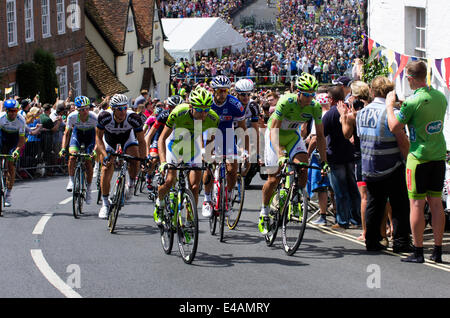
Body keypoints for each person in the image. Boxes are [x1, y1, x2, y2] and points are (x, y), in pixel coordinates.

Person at [386, 61, 448, 263]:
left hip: (418, 158)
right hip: (438, 156)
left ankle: (419, 251)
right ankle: (437, 251)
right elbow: (426, 109)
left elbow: (395, 126)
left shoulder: (412, 102)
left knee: (416, 205)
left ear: (411, 79)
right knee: (436, 204)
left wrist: (389, 107)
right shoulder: (440, 97)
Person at [259, 73, 328, 235]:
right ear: (299, 92)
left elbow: (320, 136)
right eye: (306, 94)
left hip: (292, 137)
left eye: (312, 94)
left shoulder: (315, 107)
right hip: (274, 135)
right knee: (273, 178)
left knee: (303, 167)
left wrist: (324, 161)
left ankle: (296, 197)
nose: (309, 98)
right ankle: (264, 211)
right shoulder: (286, 101)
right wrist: (280, 153)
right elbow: (274, 130)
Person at [355, 76, 412, 253]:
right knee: (399, 204)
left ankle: (371, 241)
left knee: (374, 203)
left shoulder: (362, 112)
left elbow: (359, 137)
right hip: (391, 163)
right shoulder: (390, 113)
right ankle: (401, 242)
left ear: (372, 91)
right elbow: (401, 140)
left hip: (369, 164)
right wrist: (407, 160)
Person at [153, 87, 220, 226]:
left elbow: (210, 141)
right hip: (174, 145)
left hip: (191, 147)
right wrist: (163, 162)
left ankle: (190, 221)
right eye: (200, 110)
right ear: (191, 106)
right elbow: (162, 138)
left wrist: (207, 157)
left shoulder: (213, 118)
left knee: (194, 187)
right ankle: (159, 204)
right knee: (170, 179)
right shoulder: (179, 112)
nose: (203, 114)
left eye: (206, 110)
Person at [201, 75, 246, 218]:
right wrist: (203, 149)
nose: (222, 94)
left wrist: (242, 149)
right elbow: (199, 127)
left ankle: (227, 195)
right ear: (213, 91)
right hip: (210, 134)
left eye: (225, 91)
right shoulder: (207, 103)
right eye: (219, 91)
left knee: (233, 168)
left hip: (227, 134)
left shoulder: (235, 104)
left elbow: (242, 129)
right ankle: (207, 199)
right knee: (208, 165)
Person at [96, 94, 146, 219]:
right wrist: (104, 155)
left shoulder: (133, 117)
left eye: (125, 108)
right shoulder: (104, 117)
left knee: (135, 158)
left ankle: (131, 183)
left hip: (127, 138)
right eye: (119, 109)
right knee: (106, 168)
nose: (123, 111)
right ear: (113, 109)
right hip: (109, 139)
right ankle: (105, 203)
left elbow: (141, 140)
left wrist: (143, 159)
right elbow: (98, 137)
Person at [322, 85, 361, 229]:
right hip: (350, 154)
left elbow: (322, 135)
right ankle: (356, 219)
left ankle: (343, 221)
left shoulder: (329, 115)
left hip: (335, 156)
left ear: (331, 99)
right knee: (353, 189)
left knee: (340, 191)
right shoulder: (351, 110)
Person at [60, 96, 98, 205]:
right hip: (77, 135)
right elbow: (66, 134)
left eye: (86, 108)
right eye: (81, 109)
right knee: (72, 156)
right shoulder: (72, 117)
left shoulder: (94, 117)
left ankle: (89, 189)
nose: (85, 111)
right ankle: (71, 180)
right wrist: (63, 148)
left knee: (88, 161)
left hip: (90, 137)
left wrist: (95, 150)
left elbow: (98, 136)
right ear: (77, 110)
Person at [0, 99, 26, 207]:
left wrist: (17, 150)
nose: (13, 113)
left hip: (14, 141)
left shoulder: (21, 120)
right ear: (6, 111)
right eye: (10, 111)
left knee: (11, 165)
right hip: (2, 137)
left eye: (15, 111)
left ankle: (8, 194)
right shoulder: (1, 118)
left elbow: (21, 139)